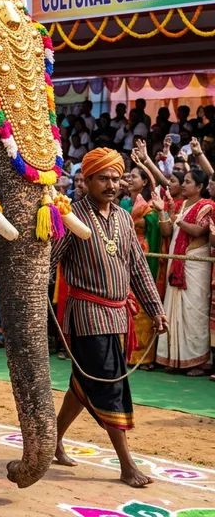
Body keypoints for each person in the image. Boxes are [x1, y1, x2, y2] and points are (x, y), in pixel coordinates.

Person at [52, 148, 167, 488]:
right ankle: (127, 465)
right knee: (109, 385)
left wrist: (156, 309)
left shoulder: (123, 218)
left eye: (116, 178)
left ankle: (52, 440)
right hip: (87, 314)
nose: (111, 184)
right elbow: (49, 260)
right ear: (86, 180)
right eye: (103, 178)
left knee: (83, 385)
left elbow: (138, 269)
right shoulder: (70, 216)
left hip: (118, 315)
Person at [155, 169, 213, 376]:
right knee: (172, 310)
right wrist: (161, 212)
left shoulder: (207, 205)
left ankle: (198, 362)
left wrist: (178, 219)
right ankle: (174, 358)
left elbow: (198, 231)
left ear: (200, 187)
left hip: (195, 264)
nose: (184, 185)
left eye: (188, 182)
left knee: (193, 311)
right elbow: (167, 232)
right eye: (184, 181)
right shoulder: (182, 205)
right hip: (177, 262)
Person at [120, 163, 164, 369]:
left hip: (143, 255)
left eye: (134, 177)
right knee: (123, 302)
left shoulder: (152, 205)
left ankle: (143, 357)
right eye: (128, 176)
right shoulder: (123, 202)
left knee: (141, 302)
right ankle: (123, 352)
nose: (129, 180)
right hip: (122, 255)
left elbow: (158, 229)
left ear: (145, 181)